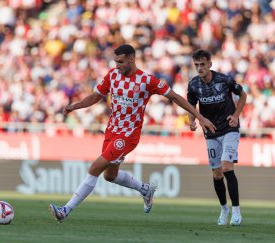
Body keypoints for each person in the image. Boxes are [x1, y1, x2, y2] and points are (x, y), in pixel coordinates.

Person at [49, 44, 216, 223]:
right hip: (111, 131)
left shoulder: (146, 81)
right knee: (110, 176)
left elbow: (175, 97)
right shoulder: (113, 75)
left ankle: (65, 210)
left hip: (128, 135)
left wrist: (199, 117)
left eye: (120, 62)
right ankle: (145, 189)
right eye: (115, 61)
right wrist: (75, 106)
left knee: (95, 168)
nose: (117, 65)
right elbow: (96, 96)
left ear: (131, 59)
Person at [187, 49, 247, 226]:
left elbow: (242, 95)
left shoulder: (224, 79)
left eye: (202, 65)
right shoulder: (193, 85)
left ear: (210, 64)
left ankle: (236, 210)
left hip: (229, 128)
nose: (199, 68)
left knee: (227, 167)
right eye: (196, 65)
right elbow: (191, 104)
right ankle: (224, 209)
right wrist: (192, 121)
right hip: (211, 132)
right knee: (217, 173)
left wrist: (236, 115)